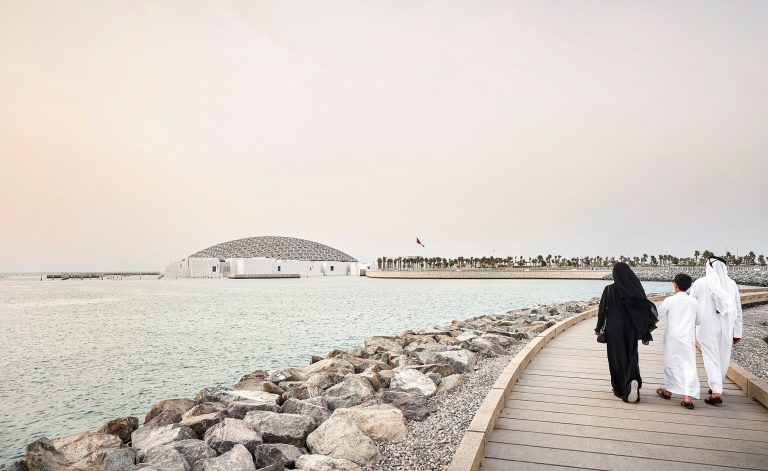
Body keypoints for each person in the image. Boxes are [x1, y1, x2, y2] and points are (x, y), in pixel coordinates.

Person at [595, 262, 659, 403]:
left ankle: (621, 389)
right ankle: (632, 379)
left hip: (613, 329)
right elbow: (644, 306)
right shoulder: (635, 289)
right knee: (631, 354)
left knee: (616, 358)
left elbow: (602, 311)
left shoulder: (609, 289)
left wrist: (598, 328)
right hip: (631, 328)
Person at [690, 256, 742, 405]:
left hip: (706, 326)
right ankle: (716, 386)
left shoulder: (700, 283)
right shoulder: (732, 284)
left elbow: (691, 305)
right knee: (723, 356)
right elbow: (738, 309)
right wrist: (737, 332)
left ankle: (716, 391)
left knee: (710, 356)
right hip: (727, 326)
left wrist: (688, 325)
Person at [656, 273, 699, 409]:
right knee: (689, 365)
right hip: (688, 338)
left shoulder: (670, 300)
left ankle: (669, 391)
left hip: (672, 338)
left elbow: (657, 316)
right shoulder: (694, 301)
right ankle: (687, 398)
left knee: (671, 364)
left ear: (675, 285)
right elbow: (699, 320)